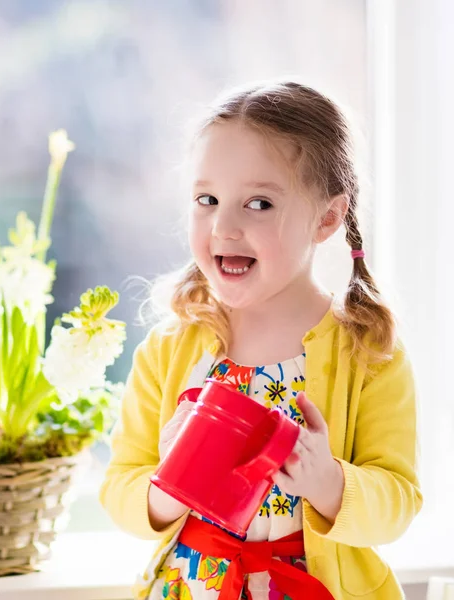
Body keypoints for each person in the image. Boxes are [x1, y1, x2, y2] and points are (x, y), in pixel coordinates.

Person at [99, 81, 422, 600]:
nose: (223, 226)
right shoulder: (168, 349)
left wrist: (327, 482)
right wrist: (168, 482)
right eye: (207, 199)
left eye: (259, 203)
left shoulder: (368, 351)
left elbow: (399, 503)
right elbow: (119, 487)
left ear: (328, 218)